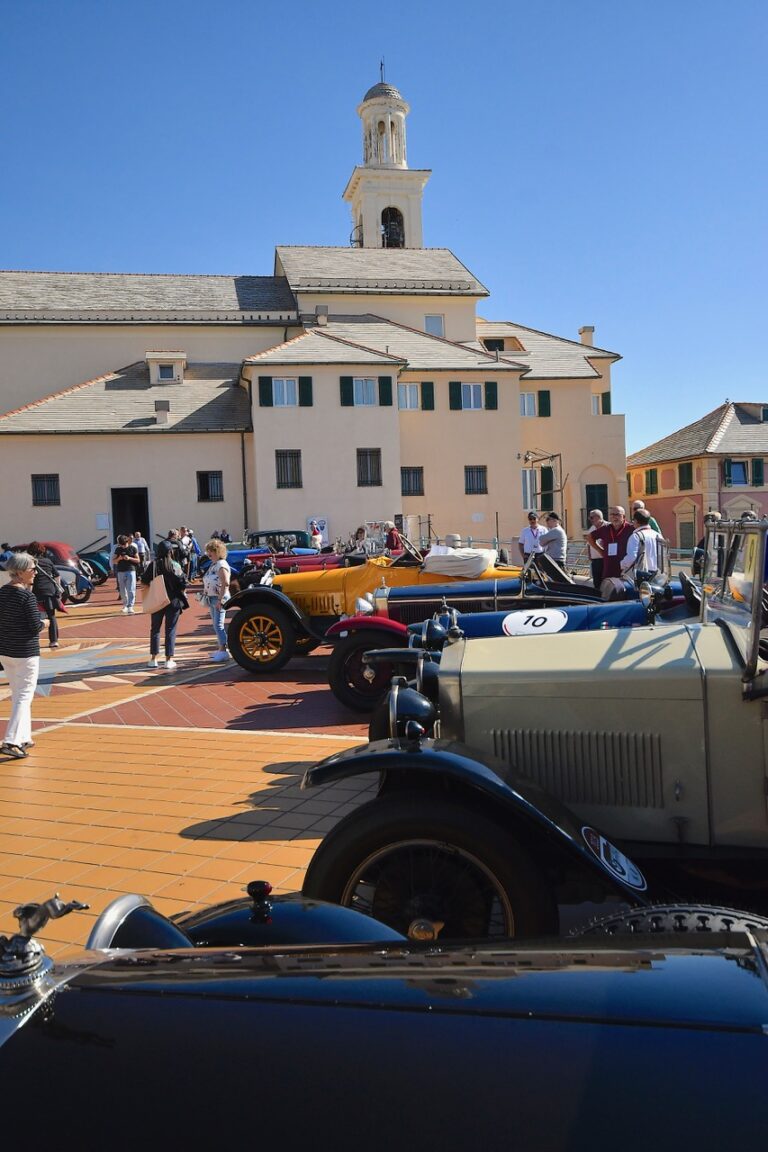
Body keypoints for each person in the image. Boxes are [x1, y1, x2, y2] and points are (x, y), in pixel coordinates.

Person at [0, 552, 45, 758]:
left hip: (6, 651)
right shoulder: (27, 596)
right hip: (25, 652)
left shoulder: (2, 593)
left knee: (18, 694)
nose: (35, 572)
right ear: (19, 572)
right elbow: (35, 626)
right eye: (32, 569)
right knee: (24, 695)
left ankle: (24, 736)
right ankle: (11, 740)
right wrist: (45, 623)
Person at [141, 551, 188, 670]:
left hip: (157, 600)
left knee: (155, 629)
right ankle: (168, 660)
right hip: (174, 601)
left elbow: (144, 581)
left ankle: (153, 659)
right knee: (170, 629)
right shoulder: (175, 565)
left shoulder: (153, 565)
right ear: (170, 552)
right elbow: (183, 582)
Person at [202, 538, 232, 662]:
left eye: (211, 551)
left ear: (218, 551)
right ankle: (221, 648)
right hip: (213, 598)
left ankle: (224, 650)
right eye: (208, 551)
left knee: (218, 625)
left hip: (219, 598)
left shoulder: (221, 564)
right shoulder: (214, 564)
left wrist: (220, 600)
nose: (208, 553)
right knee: (216, 625)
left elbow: (225, 582)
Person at [27, 540, 61, 649]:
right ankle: (54, 641)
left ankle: (33, 641)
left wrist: (27, 592)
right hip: (49, 591)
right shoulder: (48, 561)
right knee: (51, 616)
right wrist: (57, 589)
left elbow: (28, 578)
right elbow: (57, 575)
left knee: (32, 616)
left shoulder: (30, 562)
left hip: (35, 591)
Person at [621, 508, 664, 584]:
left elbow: (631, 557)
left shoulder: (635, 536)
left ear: (636, 521)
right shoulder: (658, 535)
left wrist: (622, 564)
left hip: (641, 575)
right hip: (657, 576)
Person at [592, 505, 634, 580]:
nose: (614, 517)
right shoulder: (605, 529)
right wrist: (600, 550)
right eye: (612, 514)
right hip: (608, 572)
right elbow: (589, 537)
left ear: (624, 517)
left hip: (625, 572)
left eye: (617, 514)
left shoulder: (631, 528)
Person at [112, 533, 140, 613]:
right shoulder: (118, 549)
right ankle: (125, 605)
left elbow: (138, 560)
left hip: (131, 570)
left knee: (131, 589)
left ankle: (130, 606)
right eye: (121, 545)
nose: (123, 546)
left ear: (127, 542)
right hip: (120, 571)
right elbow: (114, 561)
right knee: (122, 590)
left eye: (124, 545)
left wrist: (129, 558)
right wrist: (119, 558)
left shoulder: (133, 548)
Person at [584, 509, 607, 588]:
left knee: (606, 581)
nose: (590, 519)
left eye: (591, 517)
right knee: (597, 582)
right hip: (595, 560)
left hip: (605, 559)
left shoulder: (608, 526)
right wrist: (589, 555)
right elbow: (588, 543)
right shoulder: (592, 528)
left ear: (598, 517)